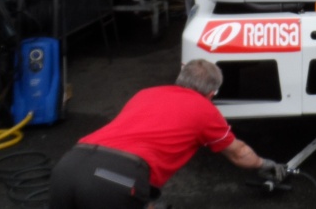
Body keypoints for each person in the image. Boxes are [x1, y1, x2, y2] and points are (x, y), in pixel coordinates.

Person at [49, 59, 286, 208]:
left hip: (69, 164)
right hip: (115, 178)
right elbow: (239, 153)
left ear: (180, 78)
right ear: (212, 93)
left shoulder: (146, 93)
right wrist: (262, 164)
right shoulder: (204, 109)